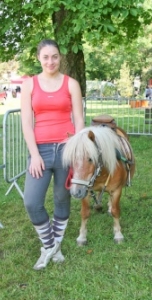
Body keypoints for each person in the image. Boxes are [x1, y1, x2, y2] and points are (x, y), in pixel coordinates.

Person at [21, 39, 84, 270]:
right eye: (46, 57)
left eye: (55, 56)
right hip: (41, 150)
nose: (50, 61)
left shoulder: (71, 84)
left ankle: (52, 248)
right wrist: (34, 154)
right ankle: (51, 247)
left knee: (62, 198)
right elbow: (27, 123)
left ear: (60, 57)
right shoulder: (29, 84)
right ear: (39, 57)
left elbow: (79, 119)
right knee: (32, 201)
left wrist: (77, 152)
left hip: (67, 150)